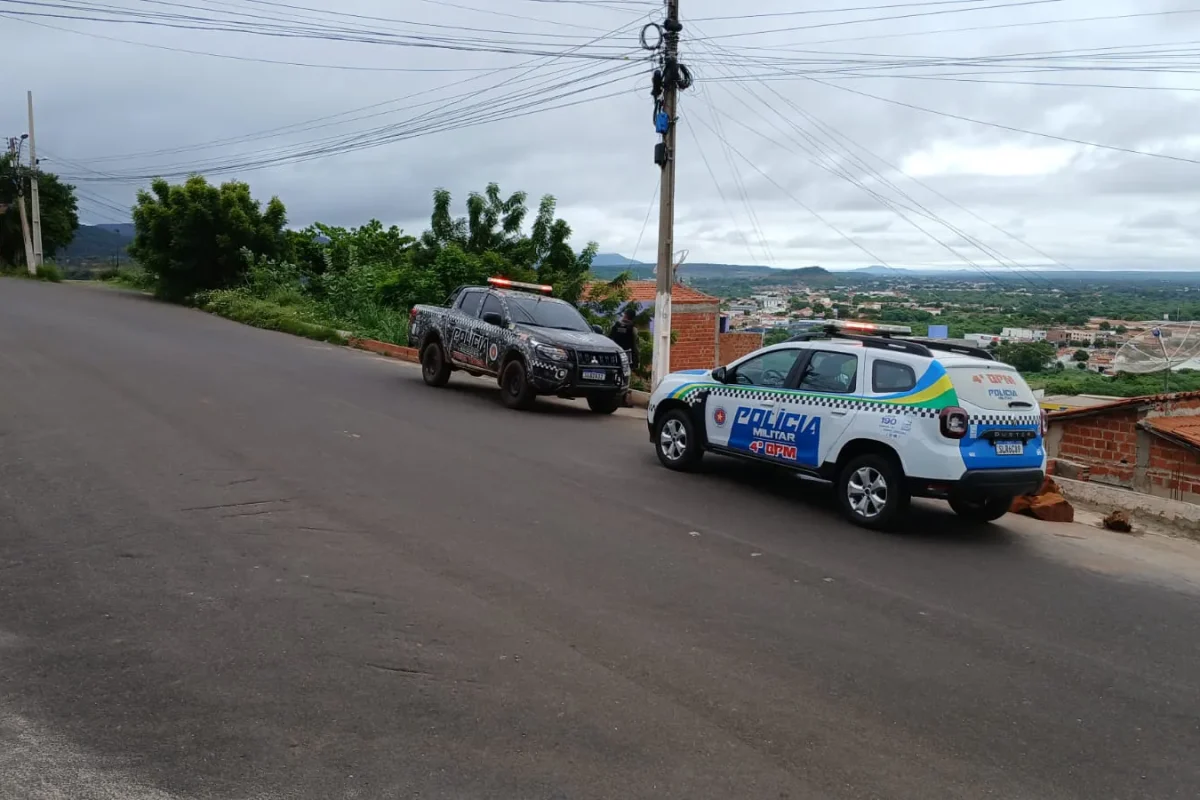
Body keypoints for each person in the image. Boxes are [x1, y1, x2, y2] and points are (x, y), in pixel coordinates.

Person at [609, 305, 640, 372]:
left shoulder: (616, 326)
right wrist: (636, 361)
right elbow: (636, 347)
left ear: (625, 315)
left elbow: (609, 339)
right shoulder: (633, 329)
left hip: (616, 354)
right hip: (627, 356)